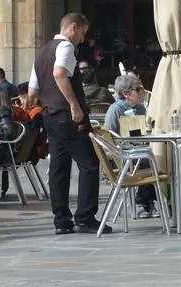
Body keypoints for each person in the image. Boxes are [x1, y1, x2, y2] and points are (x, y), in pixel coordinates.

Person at [27, 12, 109, 235]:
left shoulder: (41, 52)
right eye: (83, 32)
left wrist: (35, 110)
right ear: (73, 27)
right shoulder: (66, 48)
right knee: (90, 163)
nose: (83, 39)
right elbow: (59, 73)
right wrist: (74, 105)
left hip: (50, 116)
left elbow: (32, 92)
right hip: (68, 116)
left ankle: (61, 220)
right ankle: (85, 217)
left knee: (59, 167)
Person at [103, 73, 156, 218]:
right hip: (121, 156)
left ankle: (152, 201)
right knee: (151, 162)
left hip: (138, 151)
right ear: (126, 94)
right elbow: (109, 139)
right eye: (138, 89)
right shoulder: (115, 110)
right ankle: (142, 202)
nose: (142, 92)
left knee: (160, 158)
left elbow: (140, 135)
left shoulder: (140, 109)